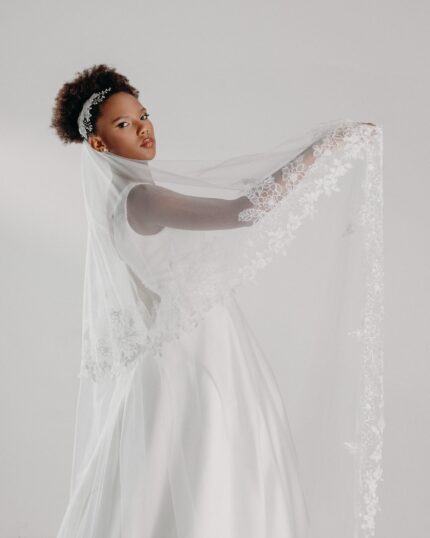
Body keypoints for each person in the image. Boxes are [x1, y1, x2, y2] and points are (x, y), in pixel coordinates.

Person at [50, 63, 383, 538]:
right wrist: (323, 147)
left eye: (144, 115)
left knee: (189, 470)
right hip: (193, 355)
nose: (143, 129)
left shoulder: (121, 199)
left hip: (196, 345)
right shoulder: (141, 198)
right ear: (99, 144)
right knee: (211, 465)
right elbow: (244, 211)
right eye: (123, 123)